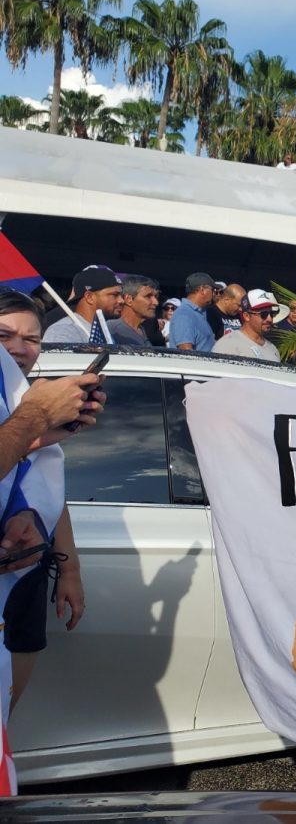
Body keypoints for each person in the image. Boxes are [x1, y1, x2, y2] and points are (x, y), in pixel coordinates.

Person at [0, 290, 93, 708]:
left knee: (7, 714)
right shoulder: (30, 408)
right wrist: (33, 420)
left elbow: (47, 486)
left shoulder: (25, 400)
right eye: (4, 335)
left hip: (23, 575)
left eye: (32, 339)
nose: (19, 349)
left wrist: (68, 567)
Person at [42, 266, 122, 344]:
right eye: (114, 295)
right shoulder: (63, 331)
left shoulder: (103, 332)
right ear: (89, 297)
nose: (121, 301)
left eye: (120, 295)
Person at [213, 290, 284, 362]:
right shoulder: (227, 345)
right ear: (247, 316)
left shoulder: (273, 349)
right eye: (264, 314)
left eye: (272, 314)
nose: (269, 319)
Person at [168, 273, 218, 352]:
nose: (214, 294)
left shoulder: (198, 312)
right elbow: (186, 351)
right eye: (213, 290)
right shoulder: (184, 314)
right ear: (202, 290)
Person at [109, 275, 159, 347]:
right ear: (129, 299)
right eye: (148, 296)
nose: (156, 302)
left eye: (156, 296)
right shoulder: (113, 329)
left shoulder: (141, 329)